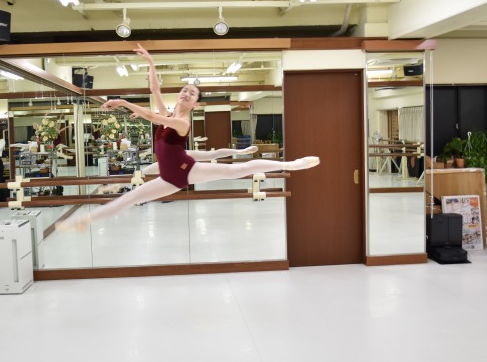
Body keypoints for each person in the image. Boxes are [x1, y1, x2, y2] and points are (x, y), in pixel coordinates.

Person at [57, 44, 319, 231]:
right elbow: (155, 90)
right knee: (129, 198)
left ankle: (291, 164)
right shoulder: (168, 113)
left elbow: (153, 116)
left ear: (195, 104)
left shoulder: (181, 122)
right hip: (167, 179)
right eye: (184, 89)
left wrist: (124, 102)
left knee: (238, 170)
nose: (185, 93)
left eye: (191, 93)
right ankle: (84, 221)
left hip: (186, 170)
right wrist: (151, 63)